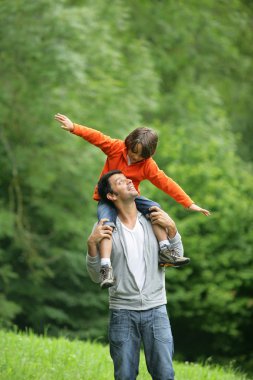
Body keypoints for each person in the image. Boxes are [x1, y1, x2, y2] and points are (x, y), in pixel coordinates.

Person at [55, 113, 210, 288]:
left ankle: (166, 250)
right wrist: (74, 127)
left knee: (155, 209)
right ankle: (106, 267)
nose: (135, 158)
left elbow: (166, 182)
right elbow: (96, 137)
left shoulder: (147, 165)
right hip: (108, 197)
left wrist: (189, 203)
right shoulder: (116, 148)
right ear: (128, 144)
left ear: (148, 156)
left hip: (130, 198)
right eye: (133, 153)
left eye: (141, 157)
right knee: (106, 224)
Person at [86, 170, 183, 380]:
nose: (129, 182)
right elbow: (96, 277)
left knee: (165, 375)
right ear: (111, 195)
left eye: (128, 179)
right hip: (122, 313)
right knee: (124, 376)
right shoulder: (104, 229)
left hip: (157, 310)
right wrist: (91, 246)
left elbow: (177, 258)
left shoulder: (153, 219)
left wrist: (173, 229)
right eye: (121, 182)